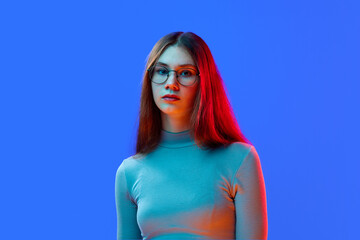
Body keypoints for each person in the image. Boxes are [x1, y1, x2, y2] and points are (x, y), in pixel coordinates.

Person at [115, 31, 268, 239]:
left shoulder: (240, 160)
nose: (171, 83)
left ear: (204, 82)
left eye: (185, 73)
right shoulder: (129, 172)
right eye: (162, 71)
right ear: (149, 79)